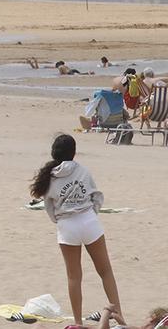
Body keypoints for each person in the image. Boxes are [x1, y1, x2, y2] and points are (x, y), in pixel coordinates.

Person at [29, 134, 121, 326]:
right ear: (74, 153)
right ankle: (119, 317)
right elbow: (97, 196)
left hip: (67, 226)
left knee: (74, 276)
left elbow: (49, 207)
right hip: (88, 222)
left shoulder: (50, 177)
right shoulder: (83, 170)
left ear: (54, 153)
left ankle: (78, 322)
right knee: (105, 271)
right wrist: (91, 213)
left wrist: (60, 220)